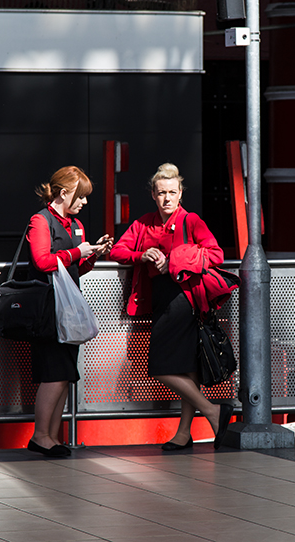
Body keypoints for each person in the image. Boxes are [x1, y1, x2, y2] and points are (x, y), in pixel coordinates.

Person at [110, 163, 235, 451]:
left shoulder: (191, 220)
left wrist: (175, 259)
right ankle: (183, 433)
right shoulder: (144, 223)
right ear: (153, 195)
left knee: (160, 366)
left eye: (172, 192)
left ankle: (213, 411)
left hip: (185, 298)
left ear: (180, 194)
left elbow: (215, 253)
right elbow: (119, 250)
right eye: (161, 193)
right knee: (186, 368)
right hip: (160, 297)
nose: (167, 198)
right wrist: (143, 255)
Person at [25, 165, 112, 457]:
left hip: (68, 310)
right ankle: (41, 436)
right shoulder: (41, 221)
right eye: (81, 196)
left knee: (64, 373)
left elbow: (76, 267)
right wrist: (78, 252)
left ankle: (50, 435)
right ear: (64, 193)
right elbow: (42, 261)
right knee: (54, 373)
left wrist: (93, 254)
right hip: (48, 309)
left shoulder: (74, 224)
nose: (84, 202)